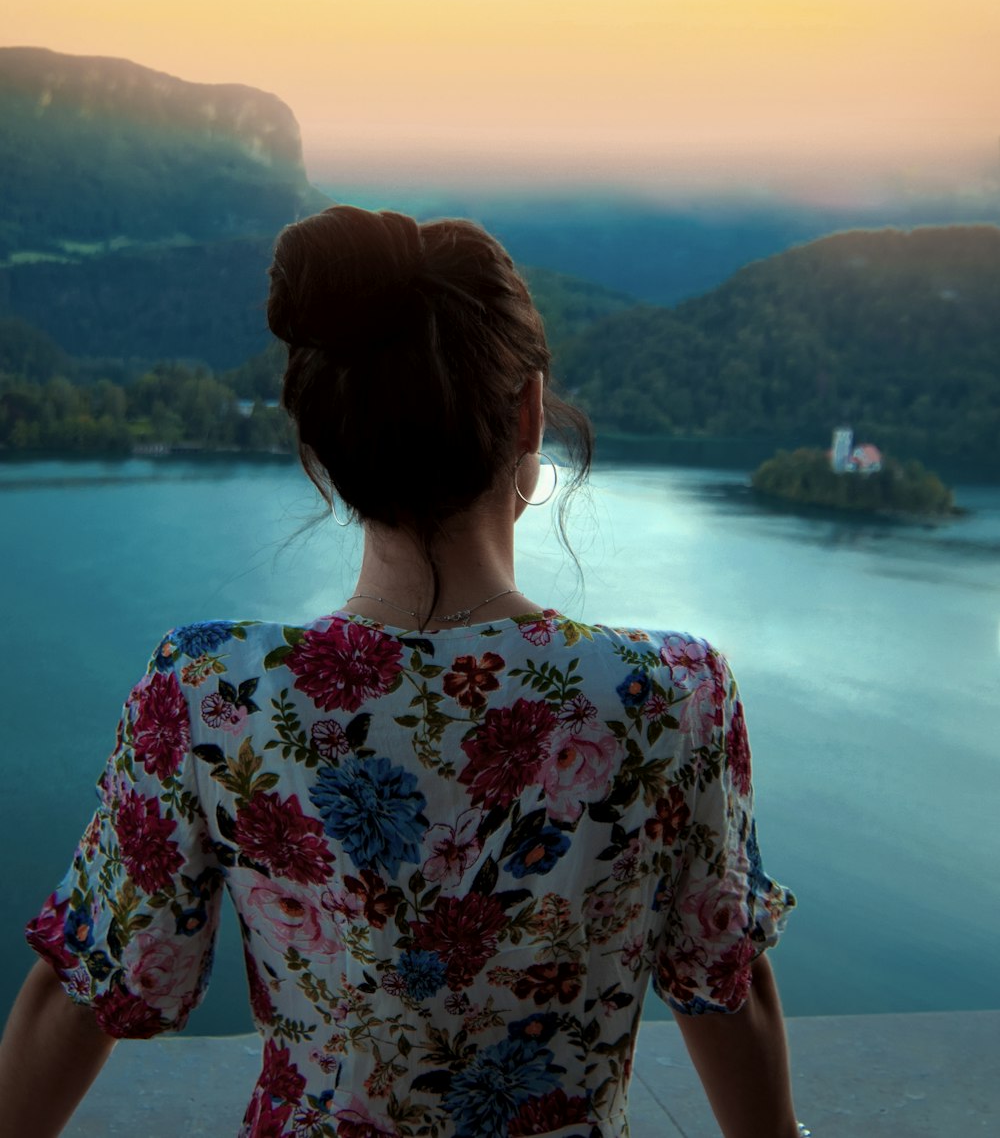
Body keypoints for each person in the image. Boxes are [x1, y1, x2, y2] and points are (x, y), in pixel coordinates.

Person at [0, 206, 799, 1138]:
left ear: (323, 445)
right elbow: (724, 982)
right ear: (530, 413)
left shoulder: (213, 694)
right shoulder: (672, 696)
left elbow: (87, 989)